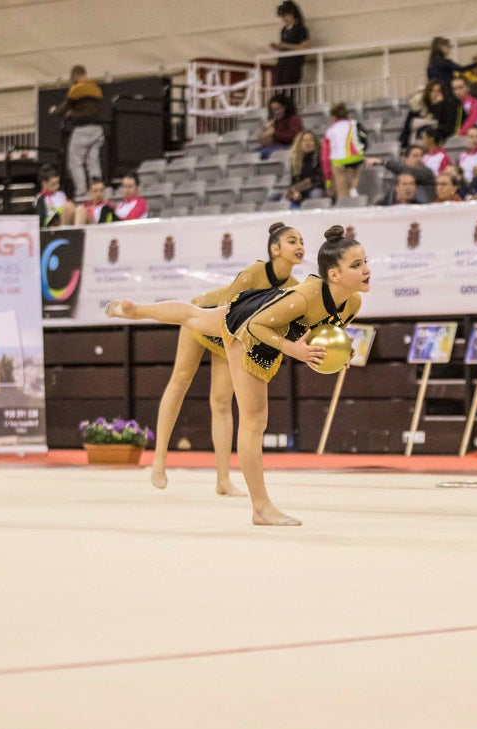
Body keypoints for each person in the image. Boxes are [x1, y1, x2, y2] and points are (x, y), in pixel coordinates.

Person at [106, 225, 368, 526]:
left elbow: (326, 333)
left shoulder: (353, 303)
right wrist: (294, 351)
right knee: (254, 420)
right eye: (356, 265)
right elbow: (256, 328)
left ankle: (136, 310)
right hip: (248, 330)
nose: (366, 270)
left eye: (365, 262)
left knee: (196, 316)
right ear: (333, 274)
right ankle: (261, 508)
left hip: (258, 315)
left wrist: (341, 353)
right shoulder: (304, 295)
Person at [105, 223, 304, 495]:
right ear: (275, 248)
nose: (300, 246)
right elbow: (226, 307)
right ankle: (158, 461)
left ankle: (223, 480)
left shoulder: (294, 287)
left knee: (222, 402)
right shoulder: (255, 273)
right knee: (180, 380)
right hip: (205, 315)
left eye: (302, 241)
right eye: (293, 241)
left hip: (232, 334)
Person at [50, 65, 105, 200]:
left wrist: (55, 111)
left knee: (75, 163)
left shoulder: (77, 89)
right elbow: (92, 109)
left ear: (76, 75)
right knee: (93, 161)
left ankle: (81, 193)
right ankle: (98, 190)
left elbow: (64, 108)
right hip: (97, 129)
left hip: (82, 129)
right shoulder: (96, 89)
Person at [321, 102, 366, 201]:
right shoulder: (355, 124)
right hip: (356, 159)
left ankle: (345, 201)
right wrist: (362, 154)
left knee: (342, 196)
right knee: (355, 187)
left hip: (339, 161)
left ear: (333, 117)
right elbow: (365, 140)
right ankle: (354, 190)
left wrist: (328, 181)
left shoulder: (330, 131)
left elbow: (325, 158)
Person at [366, 144, 436, 202]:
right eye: (415, 156)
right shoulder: (398, 178)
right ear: (405, 160)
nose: (419, 159)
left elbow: (409, 171)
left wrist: (384, 162)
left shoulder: (427, 173)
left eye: (421, 156)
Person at [270, 1, 310, 96]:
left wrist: (286, 45)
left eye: (285, 15)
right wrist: (278, 47)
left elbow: (305, 46)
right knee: (280, 88)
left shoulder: (300, 28)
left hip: (293, 64)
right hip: (282, 63)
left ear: (292, 13)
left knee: (290, 90)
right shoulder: (284, 30)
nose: (283, 19)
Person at [284, 129, 325, 207]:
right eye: (304, 141)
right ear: (299, 144)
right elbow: (293, 183)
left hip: (316, 189)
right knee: (281, 198)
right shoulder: (296, 162)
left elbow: (320, 181)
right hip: (301, 191)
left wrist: (302, 194)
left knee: (315, 193)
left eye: (310, 140)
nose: (307, 143)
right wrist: (294, 193)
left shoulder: (320, 158)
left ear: (315, 143)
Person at [257, 93, 303, 157]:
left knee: (264, 153)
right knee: (253, 152)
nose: (276, 112)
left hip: (290, 146)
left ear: (286, 107)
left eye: (278, 109)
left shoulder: (293, 118)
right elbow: (263, 140)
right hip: (275, 146)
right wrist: (265, 129)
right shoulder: (274, 121)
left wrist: (274, 133)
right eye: (273, 109)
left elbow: (294, 136)